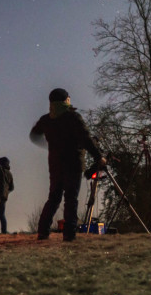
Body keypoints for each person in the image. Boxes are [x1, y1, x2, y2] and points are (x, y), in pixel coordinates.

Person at [30, 88, 105, 242]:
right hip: (73, 163)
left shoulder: (46, 120)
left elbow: (34, 134)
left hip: (55, 164)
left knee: (54, 198)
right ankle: (69, 235)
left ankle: (43, 231)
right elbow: (86, 140)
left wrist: (49, 143)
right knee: (71, 199)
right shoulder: (72, 117)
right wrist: (99, 157)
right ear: (66, 100)